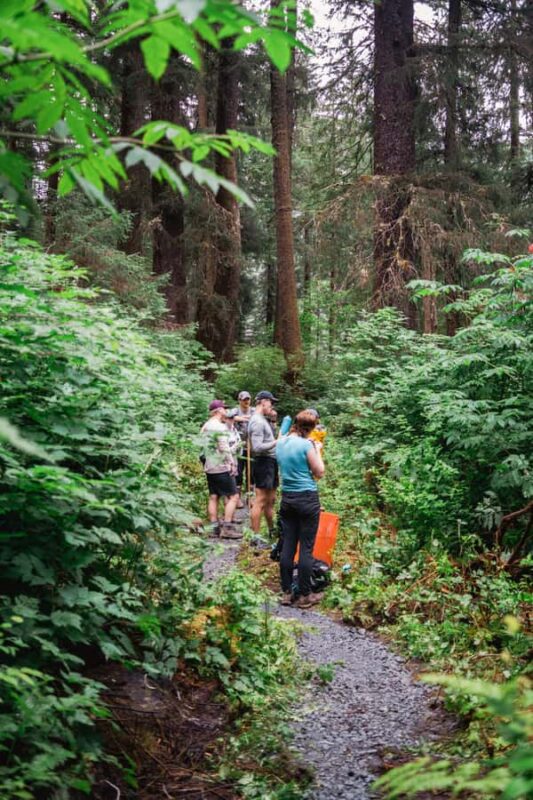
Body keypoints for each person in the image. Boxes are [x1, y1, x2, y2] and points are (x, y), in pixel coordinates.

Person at [275, 409, 325, 608]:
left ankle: (287, 592)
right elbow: (319, 472)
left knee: (288, 544)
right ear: (310, 429)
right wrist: (318, 449)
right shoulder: (307, 445)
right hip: (306, 498)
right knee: (306, 547)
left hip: (287, 498)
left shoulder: (281, 443)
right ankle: (305, 595)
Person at [200, 399, 241, 539]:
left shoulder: (206, 426)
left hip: (209, 465)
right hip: (221, 466)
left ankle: (214, 528)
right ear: (218, 411)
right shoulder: (219, 426)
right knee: (234, 496)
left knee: (214, 496)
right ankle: (227, 528)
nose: (225, 411)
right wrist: (232, 463)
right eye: (223, 408)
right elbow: (223, 447)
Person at [247, 390, 279, 537]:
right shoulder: (257, 421)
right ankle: (255, 537)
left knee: (271, 499)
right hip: (263, 463)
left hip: (270, 462)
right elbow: (257, 446)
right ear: (263, 401)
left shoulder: (262, 419)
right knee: (260, 499)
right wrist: (277, 442)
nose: (271, 406)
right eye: (270, 402)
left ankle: (272, 530)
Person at [229, 391, 253, 505]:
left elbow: (258, 417)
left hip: (252, 445)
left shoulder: (253, 410)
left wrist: (246, 417)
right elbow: (231, 417)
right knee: (238, 471)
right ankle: (237, 497)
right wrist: (244, 418)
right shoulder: (235, 410)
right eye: (244, 400)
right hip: (239, 445)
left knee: (251, 471)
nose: (246, 402)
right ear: (239, 400)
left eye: (248, 399)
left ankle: (250, 495)